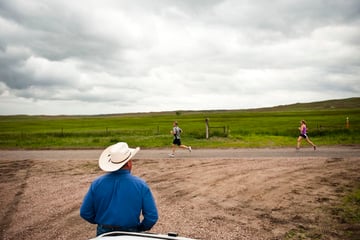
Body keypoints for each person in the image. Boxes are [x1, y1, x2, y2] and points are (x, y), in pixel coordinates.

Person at [80, 142, 158, 236]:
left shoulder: (97, 183)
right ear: (129, 163)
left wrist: (101, 222)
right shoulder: (141, 185)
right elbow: (152, 216)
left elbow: (85, 212)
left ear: (111, 163)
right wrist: (140, 228)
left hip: (104, 232)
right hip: (130, 232)